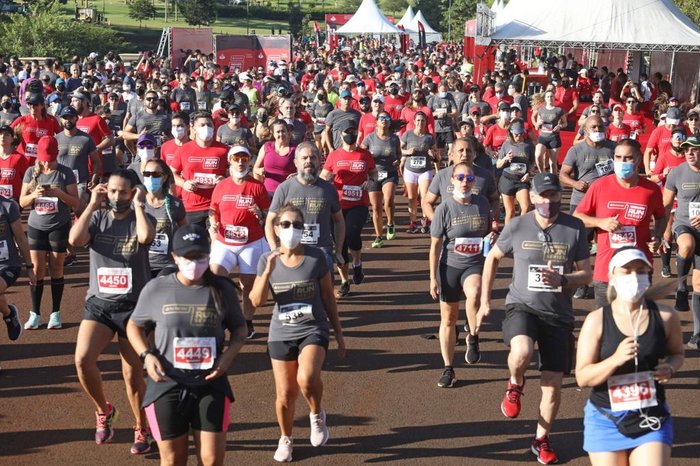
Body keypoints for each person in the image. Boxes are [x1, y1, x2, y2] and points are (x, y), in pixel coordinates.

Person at [478, 172, 592, 465]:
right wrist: (484, 301)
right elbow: (492, 258)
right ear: (532, 196)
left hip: (558, 313)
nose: (547, 201)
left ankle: (541, 439)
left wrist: (564, 278)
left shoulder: (575, 228)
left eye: (553, 195)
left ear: (559, 196)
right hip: (522, 305)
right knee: (523, 351)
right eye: (542, 195)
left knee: (552, 383)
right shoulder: (517, 225)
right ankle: (515, 384)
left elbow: (587, 273)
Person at [126, 224, 248, 466]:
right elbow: (134, 325)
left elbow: (240, 329)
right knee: (173, 461)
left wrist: (228, 357)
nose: (194, 263)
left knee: (212, 460)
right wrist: (146, 355)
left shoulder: (222, 289)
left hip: (211, 382)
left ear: (209, 254)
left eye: (200, 256)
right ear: (174, 257)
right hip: (166, 384)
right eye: (187, 257)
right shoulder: (156, 288)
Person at [249, 203, 346, 463]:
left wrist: (339, 334)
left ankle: (316, 415)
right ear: (276, 229)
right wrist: (266, 272)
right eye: (286, 224)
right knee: (284, 394)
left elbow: (328, 297)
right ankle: (286, 438)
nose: (292, 229)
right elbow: (256, 302)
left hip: (313, 328)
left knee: (307, 377)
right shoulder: (266, 260)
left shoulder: (317, 258)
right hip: (281, 332)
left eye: (298, 225)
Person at [69, 169, 156, 453]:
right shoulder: (97, 217)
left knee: (132, 375)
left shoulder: (141, 218)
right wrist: (92, 204)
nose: (118, 197)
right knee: (82, 360)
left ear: (133, 192)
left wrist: (140, 205)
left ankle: (141, 428)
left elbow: (145, 238)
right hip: (100, 305)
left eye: (124, 192)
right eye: (114, 191)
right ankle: (103, 410)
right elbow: (74, 240)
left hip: (134, 309)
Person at [576, 247, 684, 465]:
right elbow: (583, 377)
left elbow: (677, 354)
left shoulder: (665, 316)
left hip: (651, 416)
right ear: (612, 277)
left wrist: (670, 368)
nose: (634, 277)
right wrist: (615, 359)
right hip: (606, 418)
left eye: (640, 271)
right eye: (626, 271)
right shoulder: (596, 321)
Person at [574, 139, 667, 308]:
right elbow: (577, 217)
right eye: (618, 157)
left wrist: (658, 237)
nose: (622, 162)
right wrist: (600, 222)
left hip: (639, 270)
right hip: (606, 271)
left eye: (627, 158)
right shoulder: (600, 185)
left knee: (637, 325)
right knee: (606, 326)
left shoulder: (651, 190)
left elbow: (661, 216)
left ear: (638, 160)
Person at [429, 163, 493, 387]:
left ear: (474, 181)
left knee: (475, 292)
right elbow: (435, 245)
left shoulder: (482, 204)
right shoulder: (444, 209)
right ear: (453, 180)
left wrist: (491, 236)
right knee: (448, 319)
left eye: (469, 177)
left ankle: (473, 336)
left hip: (474, 264)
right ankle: (448, 368)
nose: (465, 181)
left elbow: (486, 233)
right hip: (449, 267)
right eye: (460, 177)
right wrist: (432, 278)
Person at [209, 145, 270, 339]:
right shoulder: (221, 185)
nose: (241, 162)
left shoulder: (257, 186)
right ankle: (220, 318)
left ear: (249, 161)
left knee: (248, 285)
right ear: (230, 161)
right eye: (236, 158)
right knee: (215, 277)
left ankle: (247, 321)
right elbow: (214, 210)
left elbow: (269, 215)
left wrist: (260, 215)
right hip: (224, 241)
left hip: (251, 241)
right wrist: (213, 224)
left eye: (244, 158)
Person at [19, 136, 79, 329]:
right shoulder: (31, 172)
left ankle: (55, 313)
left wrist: (58, 194)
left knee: (56, 268)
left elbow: (76, 203)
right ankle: (35, 313)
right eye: (43, 158)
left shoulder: (65, 173)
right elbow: (21, 202)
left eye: (49, 158)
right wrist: (33, 195)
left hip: (58, 226)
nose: (46, 162)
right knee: (37, 270)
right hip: (36, 226)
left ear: (56, 155)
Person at [264, 141, 345, 283]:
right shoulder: (284, 188)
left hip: (321, 250)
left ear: (319, 161)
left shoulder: (328, 189)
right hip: (291, 250)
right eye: (304, 158)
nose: (309, 161)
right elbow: (269, 221)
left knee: (325, 295)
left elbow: (339, 220)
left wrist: (338, 250)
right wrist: (274, 248)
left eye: (313, 158)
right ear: (296, 162)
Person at [320, 119, 377, 298]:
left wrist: (370, 181)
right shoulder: (334, 155)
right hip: (336, 206)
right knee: (340, 246)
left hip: (358, 204)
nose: (350, 134)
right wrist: (326, 180)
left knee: (352, 235)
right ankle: (345, 281)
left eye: (353, 131)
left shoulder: (364, 154)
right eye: (347, 131)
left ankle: (357, 263)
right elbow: (323, 176)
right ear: (340, 135)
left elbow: (373, 172)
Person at [662, 136, 700, 346]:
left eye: (694, 149)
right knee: (686, 245)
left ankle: (697, 334)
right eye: (686, 150)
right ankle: (681, 287)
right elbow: (666, 205)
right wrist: (665, 230)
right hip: (684, 224)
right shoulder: (677, 172)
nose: (689, 153)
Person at [172, 111, 230, 230]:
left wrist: (225, 181)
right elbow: (171, 173)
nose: (206, 128)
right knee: (194, 246)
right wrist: (184, 184)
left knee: (215, 242)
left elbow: (236, 174)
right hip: (191, 207)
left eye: (209, 125)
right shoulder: (184, 149)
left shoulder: (224, 150)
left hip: (216, 206)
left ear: (214, 127)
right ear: (193, 128)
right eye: (202, 125)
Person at [0, 186, 36, 341]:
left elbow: (21, 238)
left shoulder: (8, 206)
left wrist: (29, 267)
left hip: (8, 265)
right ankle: (9, 314)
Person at [651, 127, 688, 279]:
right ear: (671, 139)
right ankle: (665, 266)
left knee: (685, 234)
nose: (678, 139)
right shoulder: (665, 156)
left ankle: (682, 262)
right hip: (667, 200)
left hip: (685, 201)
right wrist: (662, 174)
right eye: (676, 136)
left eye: (681, 136)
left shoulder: (689, 157)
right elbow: (653, 178)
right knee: (667, 234)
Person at [359, 110, 401, 247]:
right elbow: (360, 154)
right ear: (376, 122)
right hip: (373, 175)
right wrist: (366, 158)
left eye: (386, 118)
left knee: (388, 200)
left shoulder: (394, 138)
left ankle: (390, 223)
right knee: (376, 207)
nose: (384, 120)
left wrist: (398, 161)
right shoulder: (369, 138)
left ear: (389, 122)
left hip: (389, 173)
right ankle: (379, 236)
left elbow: (399, 154)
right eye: (381, 118)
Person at [142, 158, 187, 277]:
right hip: (141, 262)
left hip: (166, 264)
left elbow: (184, 232)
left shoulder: (175, 204)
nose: (151, 178)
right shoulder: (136, 203)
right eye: (147, 174)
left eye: (156, 174)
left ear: (164, 177)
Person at [401, 111, 437, 234]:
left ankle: (425, 219)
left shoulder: (429, 137)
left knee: (424, 196)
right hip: (410, 170)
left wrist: (432, 154)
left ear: (426, 122)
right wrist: (407, 152)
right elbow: (399, 149)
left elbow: (435, 152)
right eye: (418, 120)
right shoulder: (407, 135)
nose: (420, 123)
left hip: (425, 170)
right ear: (414, 121)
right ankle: (413, 222)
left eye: (423, 121)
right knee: (412, 198)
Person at [496, 119, 536, 224]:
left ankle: (520, 230)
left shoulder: (528, 145)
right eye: (516, 134)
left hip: (522, 180)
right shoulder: (506, 144)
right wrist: (505, 158)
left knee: (526, 208)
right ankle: (507, 236)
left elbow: (533, 163)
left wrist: (529, 173)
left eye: (521, 133)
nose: (519, 136)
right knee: (510, 211)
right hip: (508, 179)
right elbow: (498, 164)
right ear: (511, 132)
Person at [252, 119, 297, 197]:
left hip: (287, 192)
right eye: (278, 132)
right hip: (267, 192)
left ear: (287, 132)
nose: (281, 134)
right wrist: (259, 171)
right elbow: (255, 168)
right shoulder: (266, 146)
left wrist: (297, 175)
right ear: (273, 133)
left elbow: (304, 172)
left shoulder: (295, 149)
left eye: (283, 131)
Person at [10, 92, 61, 158]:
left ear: (42, 106)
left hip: (42, 161)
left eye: (35, 104)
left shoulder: (51, 120)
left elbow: (61, 137)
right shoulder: (22, 120)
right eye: (29, 104)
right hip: (24, 161)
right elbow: (6, 132)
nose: (32, 107)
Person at [534, 89, 567, 175]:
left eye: (551, 96)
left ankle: (554, 181)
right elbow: (537, 126)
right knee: (538, 156)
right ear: (545, 98)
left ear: (554, 98)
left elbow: (565, 123)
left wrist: (560, 126)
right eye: (548, 96)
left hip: (554, 138)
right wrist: (538, 124)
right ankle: (542, 174)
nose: (550, 98)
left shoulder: (558, 110)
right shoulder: (541, 110)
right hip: (543, 137)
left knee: (552, 163)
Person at [0, 124, 30, 202]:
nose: (3, 136)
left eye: (6, 134)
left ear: (12, 139)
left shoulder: (19, 158)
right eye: (0, 134)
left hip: (13, 200)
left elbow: (28, 180)